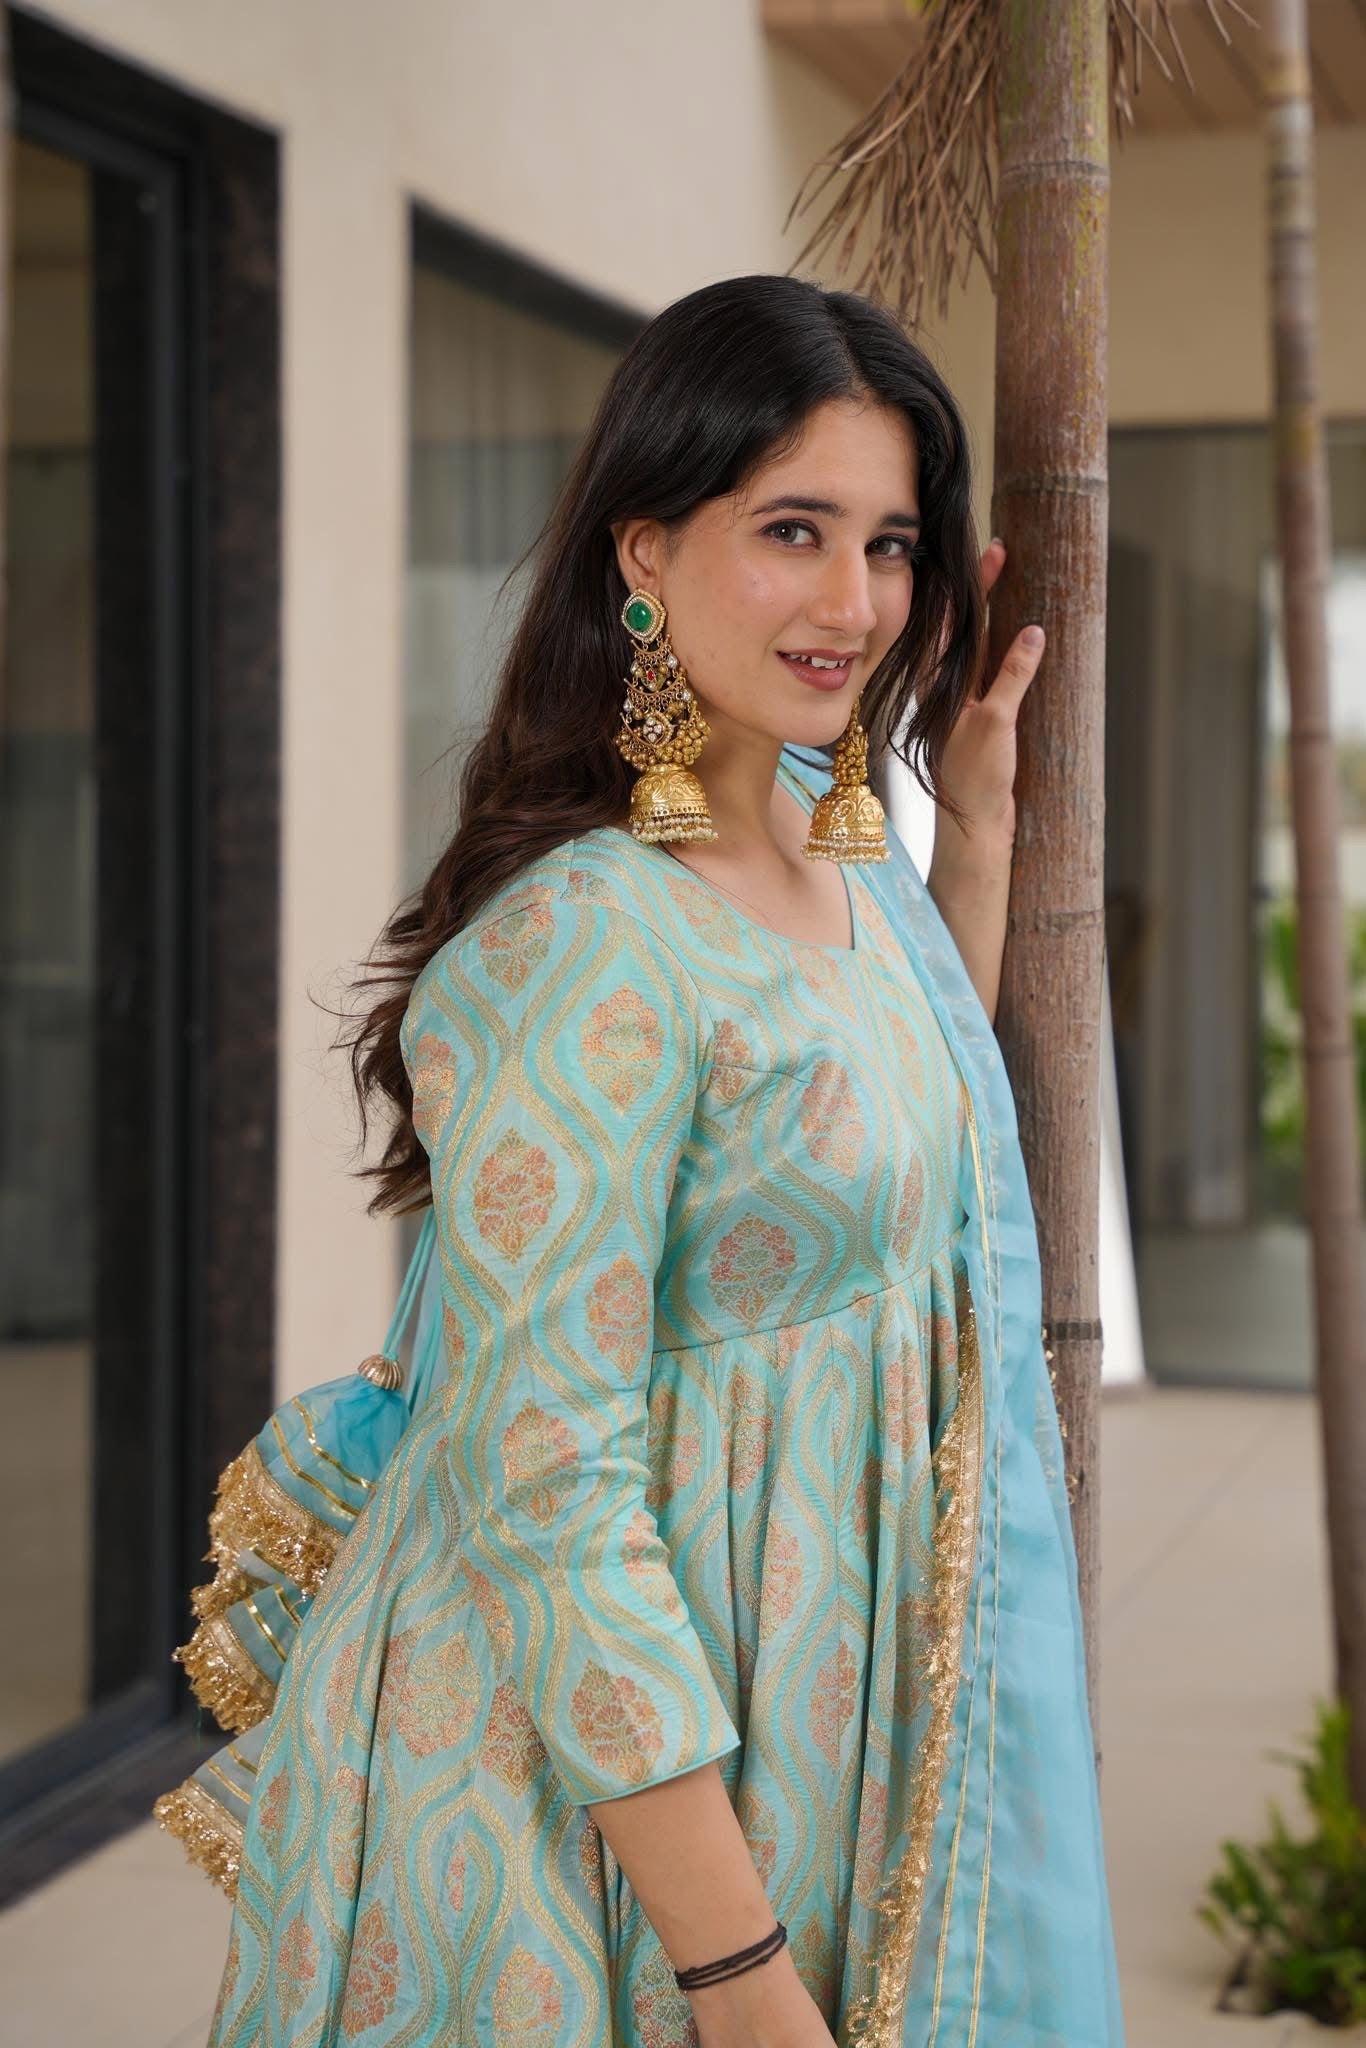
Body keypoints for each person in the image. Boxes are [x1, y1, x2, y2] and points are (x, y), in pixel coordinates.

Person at [171, 274, 1124, 2046]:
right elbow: (545, 1484)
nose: (853, 602)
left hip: (801, 1704)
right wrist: (734, 1977)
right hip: (593, 1802)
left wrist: (977, 827)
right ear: (643, 549)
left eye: (889, 546)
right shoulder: (583, 944)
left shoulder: (836, 864)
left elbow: (901, 1130)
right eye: (791, 530)